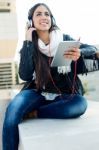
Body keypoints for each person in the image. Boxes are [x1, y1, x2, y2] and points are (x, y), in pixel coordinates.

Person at [2, 3, 98, 150]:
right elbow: (25, 75)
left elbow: (93, 49)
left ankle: (35, 112)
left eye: (47, 14)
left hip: (63, 94)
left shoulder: (64, 39)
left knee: (80, 105)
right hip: (37, 92)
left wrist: (80, 53)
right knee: (13, 109)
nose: (44, 17)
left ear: (52, 19)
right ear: (30, 22)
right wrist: (27, 41)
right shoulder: (29, 45)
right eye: (38, 14)